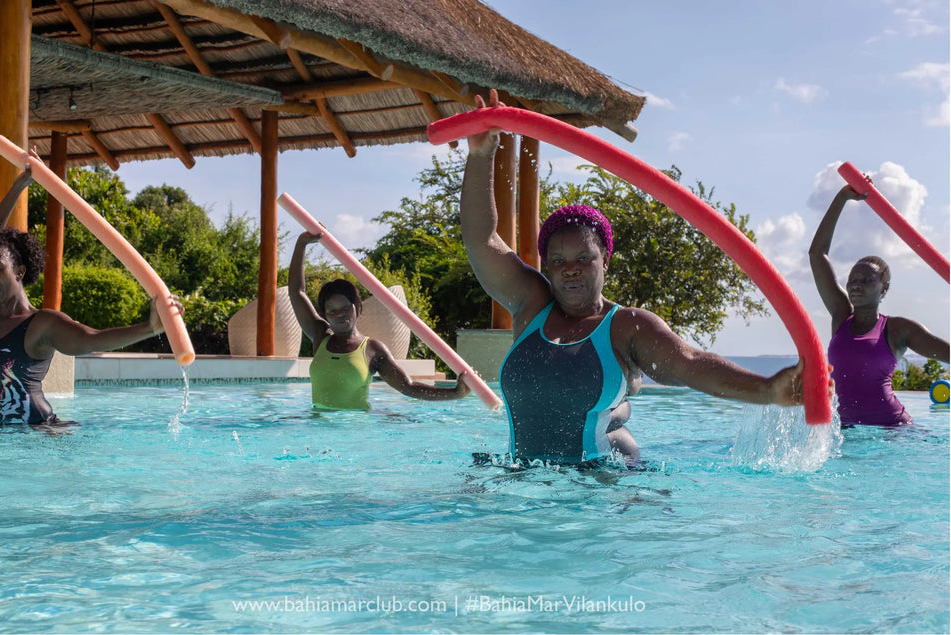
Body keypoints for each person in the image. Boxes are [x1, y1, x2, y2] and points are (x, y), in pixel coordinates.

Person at [460, 90, 815, 465]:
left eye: (584, 258)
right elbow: (481, 240)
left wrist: (767, 389)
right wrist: (481, 155)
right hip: (523, 479)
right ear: (547, 265)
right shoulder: (531, 303)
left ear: (605, 261)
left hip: (597, 485)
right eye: (559, 260)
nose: (571, 268)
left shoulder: (626, 327)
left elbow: (691, 363)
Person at [0, 148, 184, 425]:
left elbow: (90, 339)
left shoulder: (41, 324)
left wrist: (148, 328)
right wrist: (18, 187)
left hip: (40, 436)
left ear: (19, 271)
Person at [809, 185, 949, 426]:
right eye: (853, 279)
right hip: (848, 431)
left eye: (866, 280)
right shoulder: (841, 316)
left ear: (884, 289)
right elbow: (817, 254)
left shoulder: (898, 330)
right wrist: (842, 197)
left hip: (892, 431)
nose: (856, 285)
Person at [288, 231, 470, 410]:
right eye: (332, 311)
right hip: (320, 424)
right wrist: (301, 244)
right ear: (325, 314)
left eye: (345, 308)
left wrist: (455, 393)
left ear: (356, 306)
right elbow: (296, 292)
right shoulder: (320, 335)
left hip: (355, 425)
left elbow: (408, 386)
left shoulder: (372, 349)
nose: (340, 315)